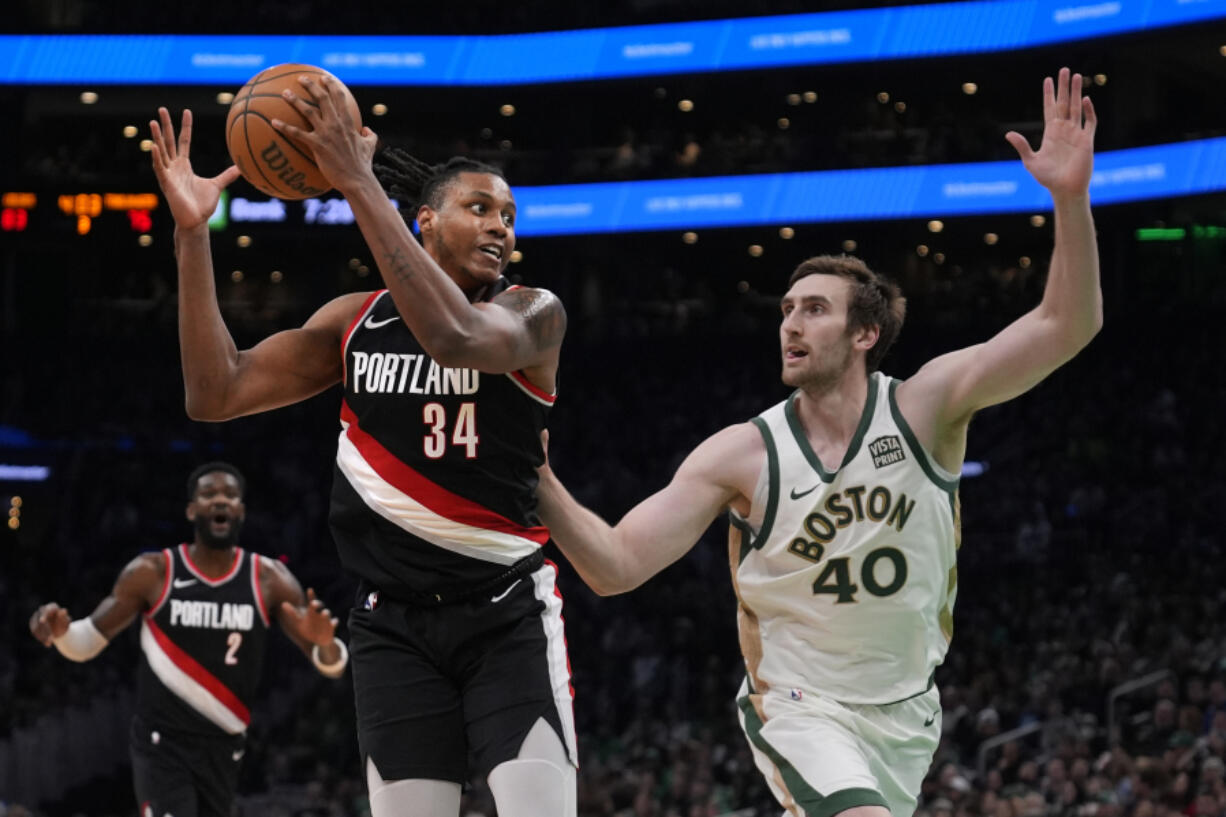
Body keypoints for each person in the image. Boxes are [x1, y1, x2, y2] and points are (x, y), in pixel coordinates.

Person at [534, 67, 1100, 817]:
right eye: (786, 308)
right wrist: (536, 474)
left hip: (906, 714)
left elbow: (1068, 325)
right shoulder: (742, 454)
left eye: (815, 309)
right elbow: (616, 564)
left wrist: (1069, 199)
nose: (791, 323)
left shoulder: (926, 407)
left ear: (865, 333)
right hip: (798, 706)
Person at [148, 73, 575, 817]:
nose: (502, 225)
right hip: (392, 625)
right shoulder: (354, 322)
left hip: (505, 612)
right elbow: (214, 393)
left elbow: (455, 336)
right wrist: (192, 237)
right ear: (425, 224)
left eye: (509, 213)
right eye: (479, 208)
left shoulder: (532, 314)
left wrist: (353, 180)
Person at [28, 462, 347, 817]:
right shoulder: (153, 572)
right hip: (161, 743)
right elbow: (86, 642)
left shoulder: (269, 579)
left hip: (225, 746)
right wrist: (60, 633)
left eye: (230, 495)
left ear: (241, 510)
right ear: (191, 509)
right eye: (209, 494)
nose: (220, 501)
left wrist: (325, 643)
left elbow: (330, 665)